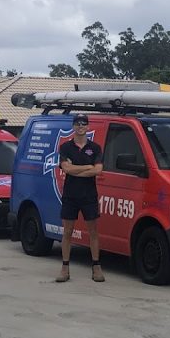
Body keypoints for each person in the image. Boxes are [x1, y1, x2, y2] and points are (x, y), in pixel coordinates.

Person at [56, 113, 105, 283]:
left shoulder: (96, 148)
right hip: (70, 195)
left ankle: (96, 267)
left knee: (93, 232)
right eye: (77, 123)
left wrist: (76, 169)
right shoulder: (65, 147)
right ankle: (65, 268)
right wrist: (87, 167)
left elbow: (98, 170)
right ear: (73, 126)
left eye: (83, 123)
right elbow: (66, 169)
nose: (80, 126)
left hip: (89, 196)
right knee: (68, 232)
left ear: (88, 126)